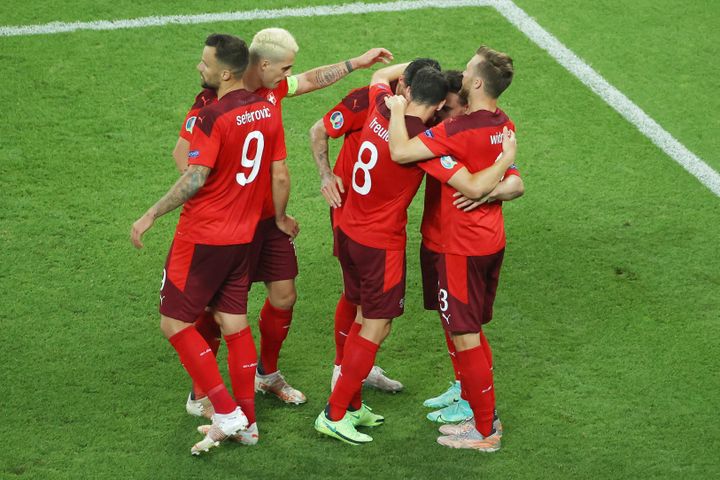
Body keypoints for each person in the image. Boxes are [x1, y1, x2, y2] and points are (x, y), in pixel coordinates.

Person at [174, 28, 394, 415]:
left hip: (267, 220)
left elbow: (308, 80)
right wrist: (225, 193)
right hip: (228, 222)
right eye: (284, 67)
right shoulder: (210, 101)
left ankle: (267, 374)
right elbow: (183, 157)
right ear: (261, 65)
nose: (289, 73)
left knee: (283, 296)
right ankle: (201, 393)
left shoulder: (272, 89)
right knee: (212, 310)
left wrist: (355, 63)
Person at [314, 61, 517, 445]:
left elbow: (377, 78)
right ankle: (335, 412)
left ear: (406, 87)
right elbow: (470, 186)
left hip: (348, 228)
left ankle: (352, 407)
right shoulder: (424, 144)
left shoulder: (380, 104)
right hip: (380, 244)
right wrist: (505, 160)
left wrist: (414, 73)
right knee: (377, 325)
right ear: (440, 103)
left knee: (360, 312)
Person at [130, 33, 287, 454]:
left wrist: (149, 214)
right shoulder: (267, 111)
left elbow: (195, 176)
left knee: (174, 323)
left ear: (225, 73)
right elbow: (279, 175)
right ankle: (248, 423)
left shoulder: (212, 116)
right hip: (244, 238)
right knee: (234, 323)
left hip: (202, 236)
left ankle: (224, 409)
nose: (199, 68)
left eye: (204, 63)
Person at [386, 45, 518, 452]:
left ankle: (483, 428)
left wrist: (394, 109)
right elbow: (515, 182)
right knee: (465, 329)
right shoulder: (503, 124)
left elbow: (400, 151)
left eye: (469, 72)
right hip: (483, 240)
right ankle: (471, 399)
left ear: (477, 83)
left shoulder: (457, 132)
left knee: (466, 334)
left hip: (460, 246)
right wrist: (498, 180)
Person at [308, 58, 442, 394]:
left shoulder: (388, 103)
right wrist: (326, 174)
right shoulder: (369, 103)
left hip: (364, 212)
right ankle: (344, 371)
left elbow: (380, 77)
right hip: (350, 210)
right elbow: (318, 129)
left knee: (361, 301)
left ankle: (354, 369)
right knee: (358, 301)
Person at [422, 69, 524, 424]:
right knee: (453, 322)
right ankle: (464, 386)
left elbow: (516, 185)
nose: (440, 116)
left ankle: (478, 413)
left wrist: (483, 192)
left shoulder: (466, 135)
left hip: (462, 244)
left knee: (467, 329)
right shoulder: (451, 135)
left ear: (464, 108)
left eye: (447, 109)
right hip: (437, 238)